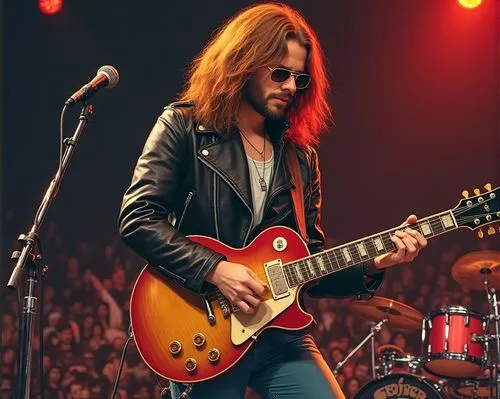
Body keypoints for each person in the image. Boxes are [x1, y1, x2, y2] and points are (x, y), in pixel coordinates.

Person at [118, 3, 427, 398]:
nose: (291, 87)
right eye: (280, 73)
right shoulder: (184, 126)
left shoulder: (300, 157)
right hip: (206, 325)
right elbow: (137, 218)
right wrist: (214, 269)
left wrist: (375, 261)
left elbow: (311, 261)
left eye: (300, 77)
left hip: (281, 337)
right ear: (243, 63)